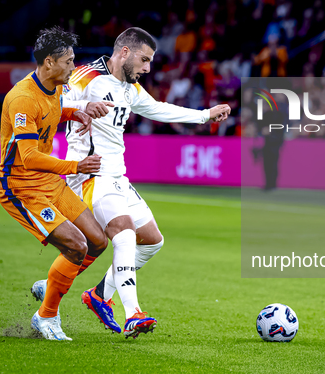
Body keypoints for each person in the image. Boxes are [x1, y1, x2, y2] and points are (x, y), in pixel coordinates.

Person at [58, 27, 230, 339]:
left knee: (152, 240)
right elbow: (55, 104)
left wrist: (205, 115)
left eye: (150, 62)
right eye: (144, 60)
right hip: (88, 174)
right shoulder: (86, 75)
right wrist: (81, 109)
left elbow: (160, 110)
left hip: (117, 177)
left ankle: (99, 295)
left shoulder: (130, 89)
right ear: (124, 52)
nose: (147, 68)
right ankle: (133, 314)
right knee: (123, 233)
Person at [0, 27, 109, 341]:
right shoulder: (22, 99)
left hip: (47, 181)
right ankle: (46, 316)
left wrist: (77, 112)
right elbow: (29, 157)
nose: (74, 67)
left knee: (98, 241)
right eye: (69, 61)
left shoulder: (56, 87)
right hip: (20, 186)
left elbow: (53, 113)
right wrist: (76, 165)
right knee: (76, 245)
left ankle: (51, 284)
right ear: (49, 63)